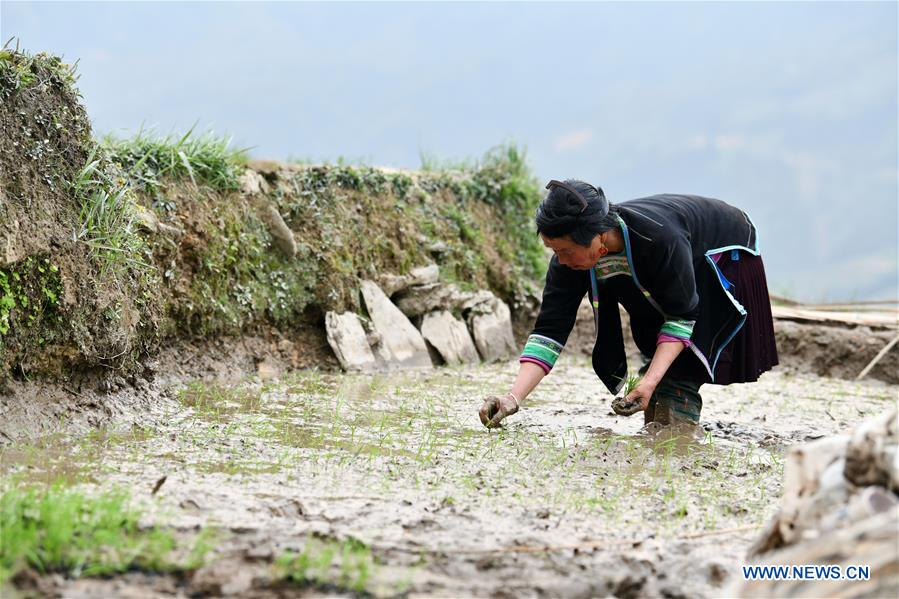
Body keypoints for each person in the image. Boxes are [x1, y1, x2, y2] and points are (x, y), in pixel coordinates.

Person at [478, 179, 778, 428]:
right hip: (665, 263)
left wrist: (649, 382)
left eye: (565, 250)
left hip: (722, 250)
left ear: (598, 239)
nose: (560, 259)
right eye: (552, 250)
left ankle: (678, 400)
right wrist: (512, 399)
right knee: (656, 356)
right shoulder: (566, 263)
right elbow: (550, 331)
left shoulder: (658, 238)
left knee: (677, 376)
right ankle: (663, 387)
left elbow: (683, 315)